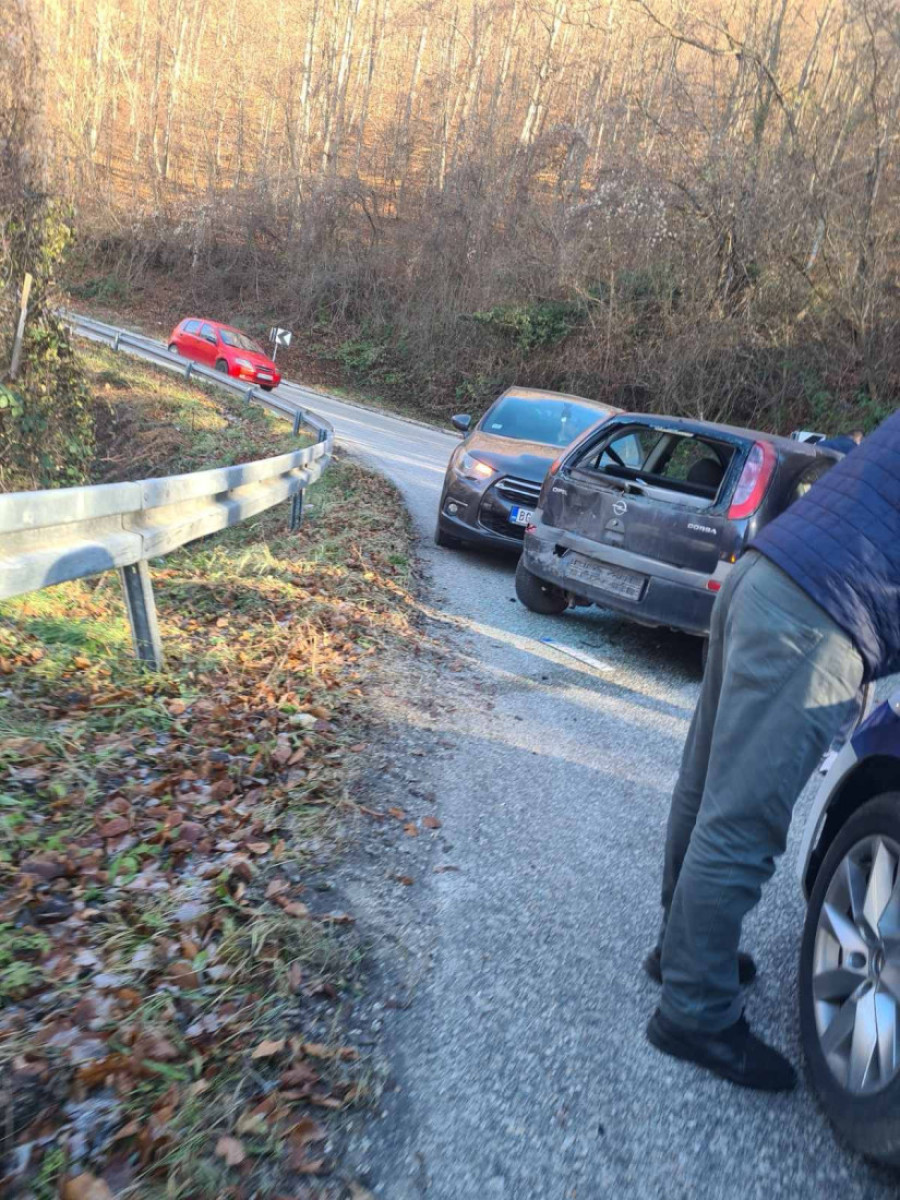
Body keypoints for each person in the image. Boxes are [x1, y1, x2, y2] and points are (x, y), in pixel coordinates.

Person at [644, 410, 900, 1091]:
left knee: (706, 787)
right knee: (743, 822)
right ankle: (693, 1011)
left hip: (765, 574)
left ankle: (681, 953)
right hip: (819, 613)